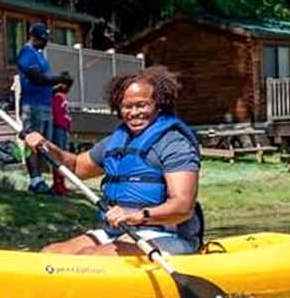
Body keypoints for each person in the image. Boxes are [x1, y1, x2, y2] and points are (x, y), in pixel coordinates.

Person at [22, 65, 202, 257]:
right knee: (50, 253)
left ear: (158, 105)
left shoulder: (174, 143)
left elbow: (183, 207)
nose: (134, 113)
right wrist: (45, 146)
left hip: (166, 234)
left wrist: (137, 216)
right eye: (127, 106)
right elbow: (76, 167)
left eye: (142, 105)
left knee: (91, 256)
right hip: (117, 231)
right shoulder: (116, 142)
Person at [15, 22, 67, 193]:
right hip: (32, 105)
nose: (45, 42)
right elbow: (36, 78)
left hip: (45, 104)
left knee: (45, 144)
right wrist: (57, 78)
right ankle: (35, 181)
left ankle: (50, 182)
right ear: (33, 37)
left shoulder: (39, 55)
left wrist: (57, 87)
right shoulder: (27, 53)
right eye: (43, 39)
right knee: (32, 143)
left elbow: (43, 81)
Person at [50, 78, 73, 197]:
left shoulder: (63, 98)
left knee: (63, 157)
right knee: (58, 157)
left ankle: (61, 183)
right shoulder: (56, 98)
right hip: (58, 129)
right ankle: (57, 184)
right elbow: (56, 114)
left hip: (64, 130)